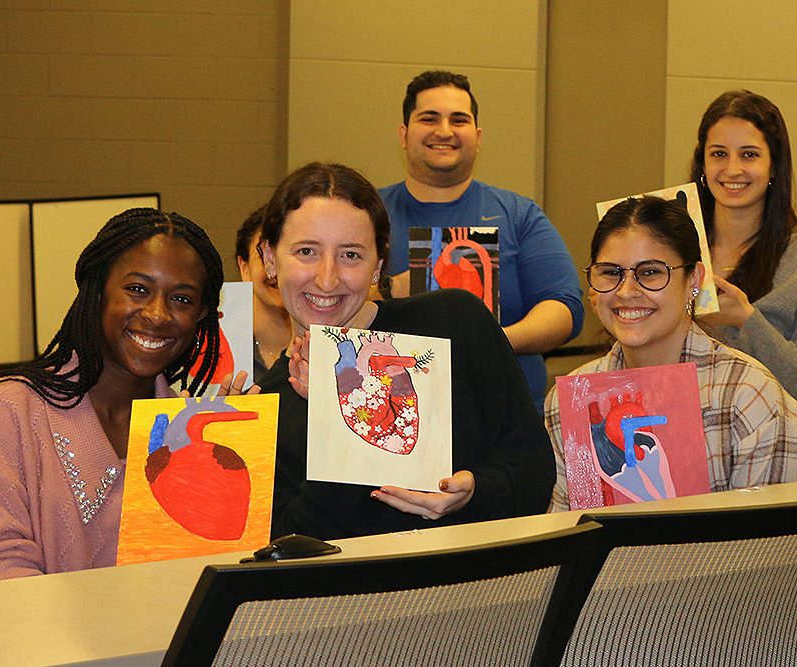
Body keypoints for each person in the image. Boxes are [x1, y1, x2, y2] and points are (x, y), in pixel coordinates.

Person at [257, 162, 554, 540]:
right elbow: (292, 544)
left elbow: (533, 471)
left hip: (481, 587)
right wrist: (337, 414)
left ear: (378, 264)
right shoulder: (267, 403)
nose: (327, 278)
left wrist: (476, 492)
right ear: (269, 258)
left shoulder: (452, 323)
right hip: (356, 598)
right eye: (306, 251)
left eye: (351, 255)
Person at [0, 208, 237, 584]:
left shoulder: (188, 430)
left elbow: (199, 576)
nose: (158, 314)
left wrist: (225, 459)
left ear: (202, 316)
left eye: (181, 299)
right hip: (35, 641)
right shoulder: (7, 410)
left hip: (165, 643)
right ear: (96, 292)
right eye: (137, 290)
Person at [546, 196, 797, 512]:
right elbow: (568, 531)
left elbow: (765, 545)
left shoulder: (745, 396)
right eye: (610, 272)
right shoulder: (572, 398)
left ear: (693, 280)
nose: (626, 291)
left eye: (650, 272)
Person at [380, 70, 584, 412]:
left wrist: (495, 340)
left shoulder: (519, 215)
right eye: (429, 118)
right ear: (404, 134)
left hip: (504, 417)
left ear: (477, 136)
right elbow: (329, 297)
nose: (444, 131)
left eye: (458, 120)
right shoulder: (364, 213)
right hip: (394, 414)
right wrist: (390, 289)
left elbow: (566, 308)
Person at [690, 90, 797, 415]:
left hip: (766, 450)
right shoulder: (671, 251)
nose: (731, 169)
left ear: (774, 166)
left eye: (749, 155)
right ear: (702, 163)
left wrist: (746, 320)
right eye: (718, 154)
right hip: (669, 440)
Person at [236, 206, 292, 381]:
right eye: (265, 256)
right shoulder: (218, 349)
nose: (277, 271)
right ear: (244, 268)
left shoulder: (336, 346)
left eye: (297, 254)